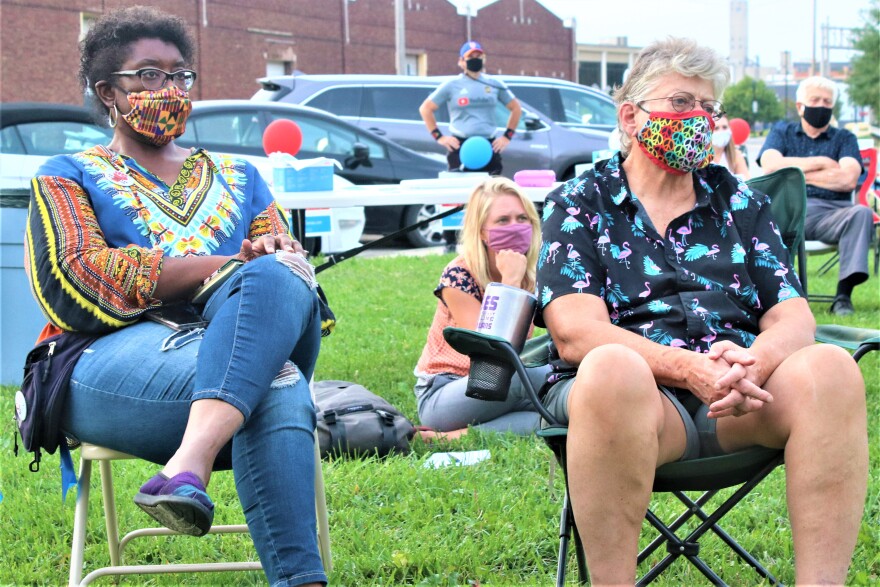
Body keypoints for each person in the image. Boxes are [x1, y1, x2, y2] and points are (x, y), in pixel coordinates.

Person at [536, 38, 867, 584]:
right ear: (631, 116)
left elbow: (794, 316)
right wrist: (688, 367)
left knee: (830, 368)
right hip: (636, 402)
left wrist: (753, 364)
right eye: (681, 104)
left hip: (742, 398)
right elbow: (575, 332)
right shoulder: (580, 204)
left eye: (708, 109)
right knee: (611, 366)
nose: (699, 120)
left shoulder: (742, 203)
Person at [25, 7, 326, 586]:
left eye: (180, 75)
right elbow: (76, 276)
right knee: (278, 383)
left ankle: (188, 463)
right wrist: (224, 266)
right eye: (149, 76)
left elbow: (287, 284)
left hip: (233, 346)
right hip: (107, 359)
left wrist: (268, 260)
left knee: (280, 269)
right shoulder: (67, 174)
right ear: (107, 92)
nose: (169, 89)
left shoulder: (241, 178)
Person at [413, 177, 549, 438]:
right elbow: (492, 349)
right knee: (530, 377)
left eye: (523, 219)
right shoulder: (458, 275)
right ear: (482, 232)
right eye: (502, 220)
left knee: (552, 417)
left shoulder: (534, 273)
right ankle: (444, 436)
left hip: (503, 386)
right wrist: (511, 283)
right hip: (445, 392)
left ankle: (452, 438)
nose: (516, 227)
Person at [757, 75, 870, 316]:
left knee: (862, 212)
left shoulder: (845, 138)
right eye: (815, 100)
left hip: (831, 213)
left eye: (827, 102)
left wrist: (793, 175)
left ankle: (842, 297)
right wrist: (822, 163)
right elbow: (770, 165)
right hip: (786, 212)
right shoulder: (781, 132)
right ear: (800, 106)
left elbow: (848, 178)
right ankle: (775, 299)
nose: (821, 106)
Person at [419, 40, 522, 176]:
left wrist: (507, 137)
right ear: (461, 61)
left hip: (489, 146)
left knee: (491, 193)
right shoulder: (452, 85)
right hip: (460, 147)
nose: (475, 60)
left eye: (478, 57)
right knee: (461, 194)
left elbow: (516, 108)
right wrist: (440, 137)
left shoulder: (494, 84)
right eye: (470, 57)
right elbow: (426, 108)